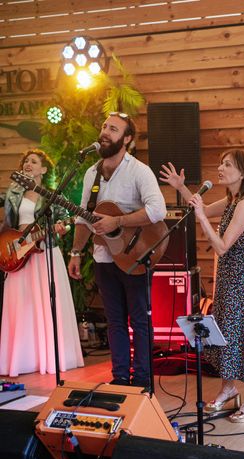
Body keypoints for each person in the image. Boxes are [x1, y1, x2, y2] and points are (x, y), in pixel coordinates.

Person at [159, 149, 244, 422]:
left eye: (227, 164)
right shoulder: (233, 200)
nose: (220, 168)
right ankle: (229, 387)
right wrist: (182, 187)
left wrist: (202, 218)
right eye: (220, 163)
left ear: (242, 172)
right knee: (224, 336)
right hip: (229, 281)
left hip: (242, 284)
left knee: (239, 337)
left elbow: (221, 246)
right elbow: (204, 209)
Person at [68, 112, 167, 388]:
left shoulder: (138, 171)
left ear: (127, 139)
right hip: (103, 257)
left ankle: (143, 380)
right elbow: (84, 217)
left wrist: (118, 221)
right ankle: (121, 378)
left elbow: (157, 210)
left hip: (136, 255)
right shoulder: (92, 173)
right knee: (115, 322)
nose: (105, 132)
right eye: (104, 126)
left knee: (139, 320)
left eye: (113, 129)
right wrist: (76, 252)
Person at [0, 149, 84, 376]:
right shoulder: (13, 192)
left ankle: (50, 357)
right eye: (25, 160)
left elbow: (67, 222)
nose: (28, 164)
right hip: (18, 255)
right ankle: (21, 358)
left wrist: (61, 229)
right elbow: (8, 224)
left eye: (34, 161)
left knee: (47, 304)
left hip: (44, 253)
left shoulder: (52, 195)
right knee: (20, 304)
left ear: (43, 169)